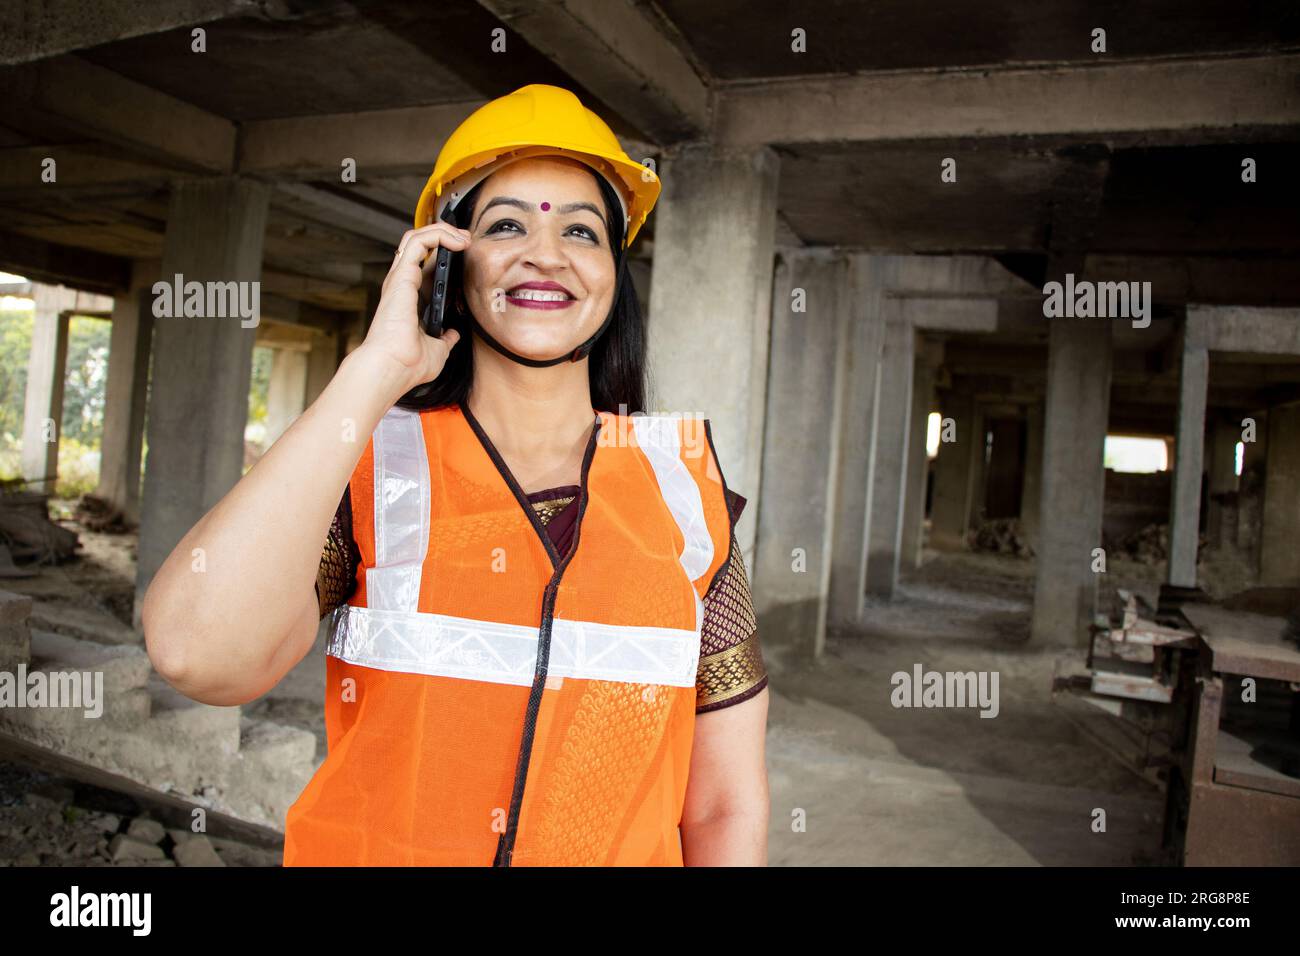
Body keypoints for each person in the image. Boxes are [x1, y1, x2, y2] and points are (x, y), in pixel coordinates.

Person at [142, 84, 769, 866]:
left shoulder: (685, 494)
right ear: (446, 269)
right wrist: (376, 372)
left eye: (582, 230)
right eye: (506, 225)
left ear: (613, 276)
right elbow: (196, 653)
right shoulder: (372, 471)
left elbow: (720, 807)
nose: (546, 253)